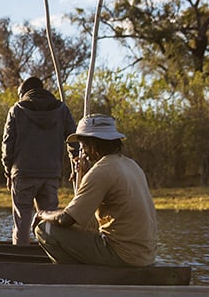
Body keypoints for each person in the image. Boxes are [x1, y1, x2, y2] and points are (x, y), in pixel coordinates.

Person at [34, 114, 157, 266]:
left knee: (44, 229)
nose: (83, 151)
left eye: (83, 144)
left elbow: (66, 219)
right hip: (145, 256)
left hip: (122, 255)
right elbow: (86, 216)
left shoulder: (101, 171)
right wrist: (85, 175)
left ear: (93, 143)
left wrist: (42, 214)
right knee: (80, 225)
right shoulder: (131, 165)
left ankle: (74, 276)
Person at [1, 76, 76, 246]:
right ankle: (48, 253)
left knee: (23, 218)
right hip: (51, 173)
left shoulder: (17, 110)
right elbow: (74, 139)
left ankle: (20, 258)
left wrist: (8, 171)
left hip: (23, 173)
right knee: (49, 217)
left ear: (24, 93)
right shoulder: (62, 109)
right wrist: (76, 159)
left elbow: (7, 145)